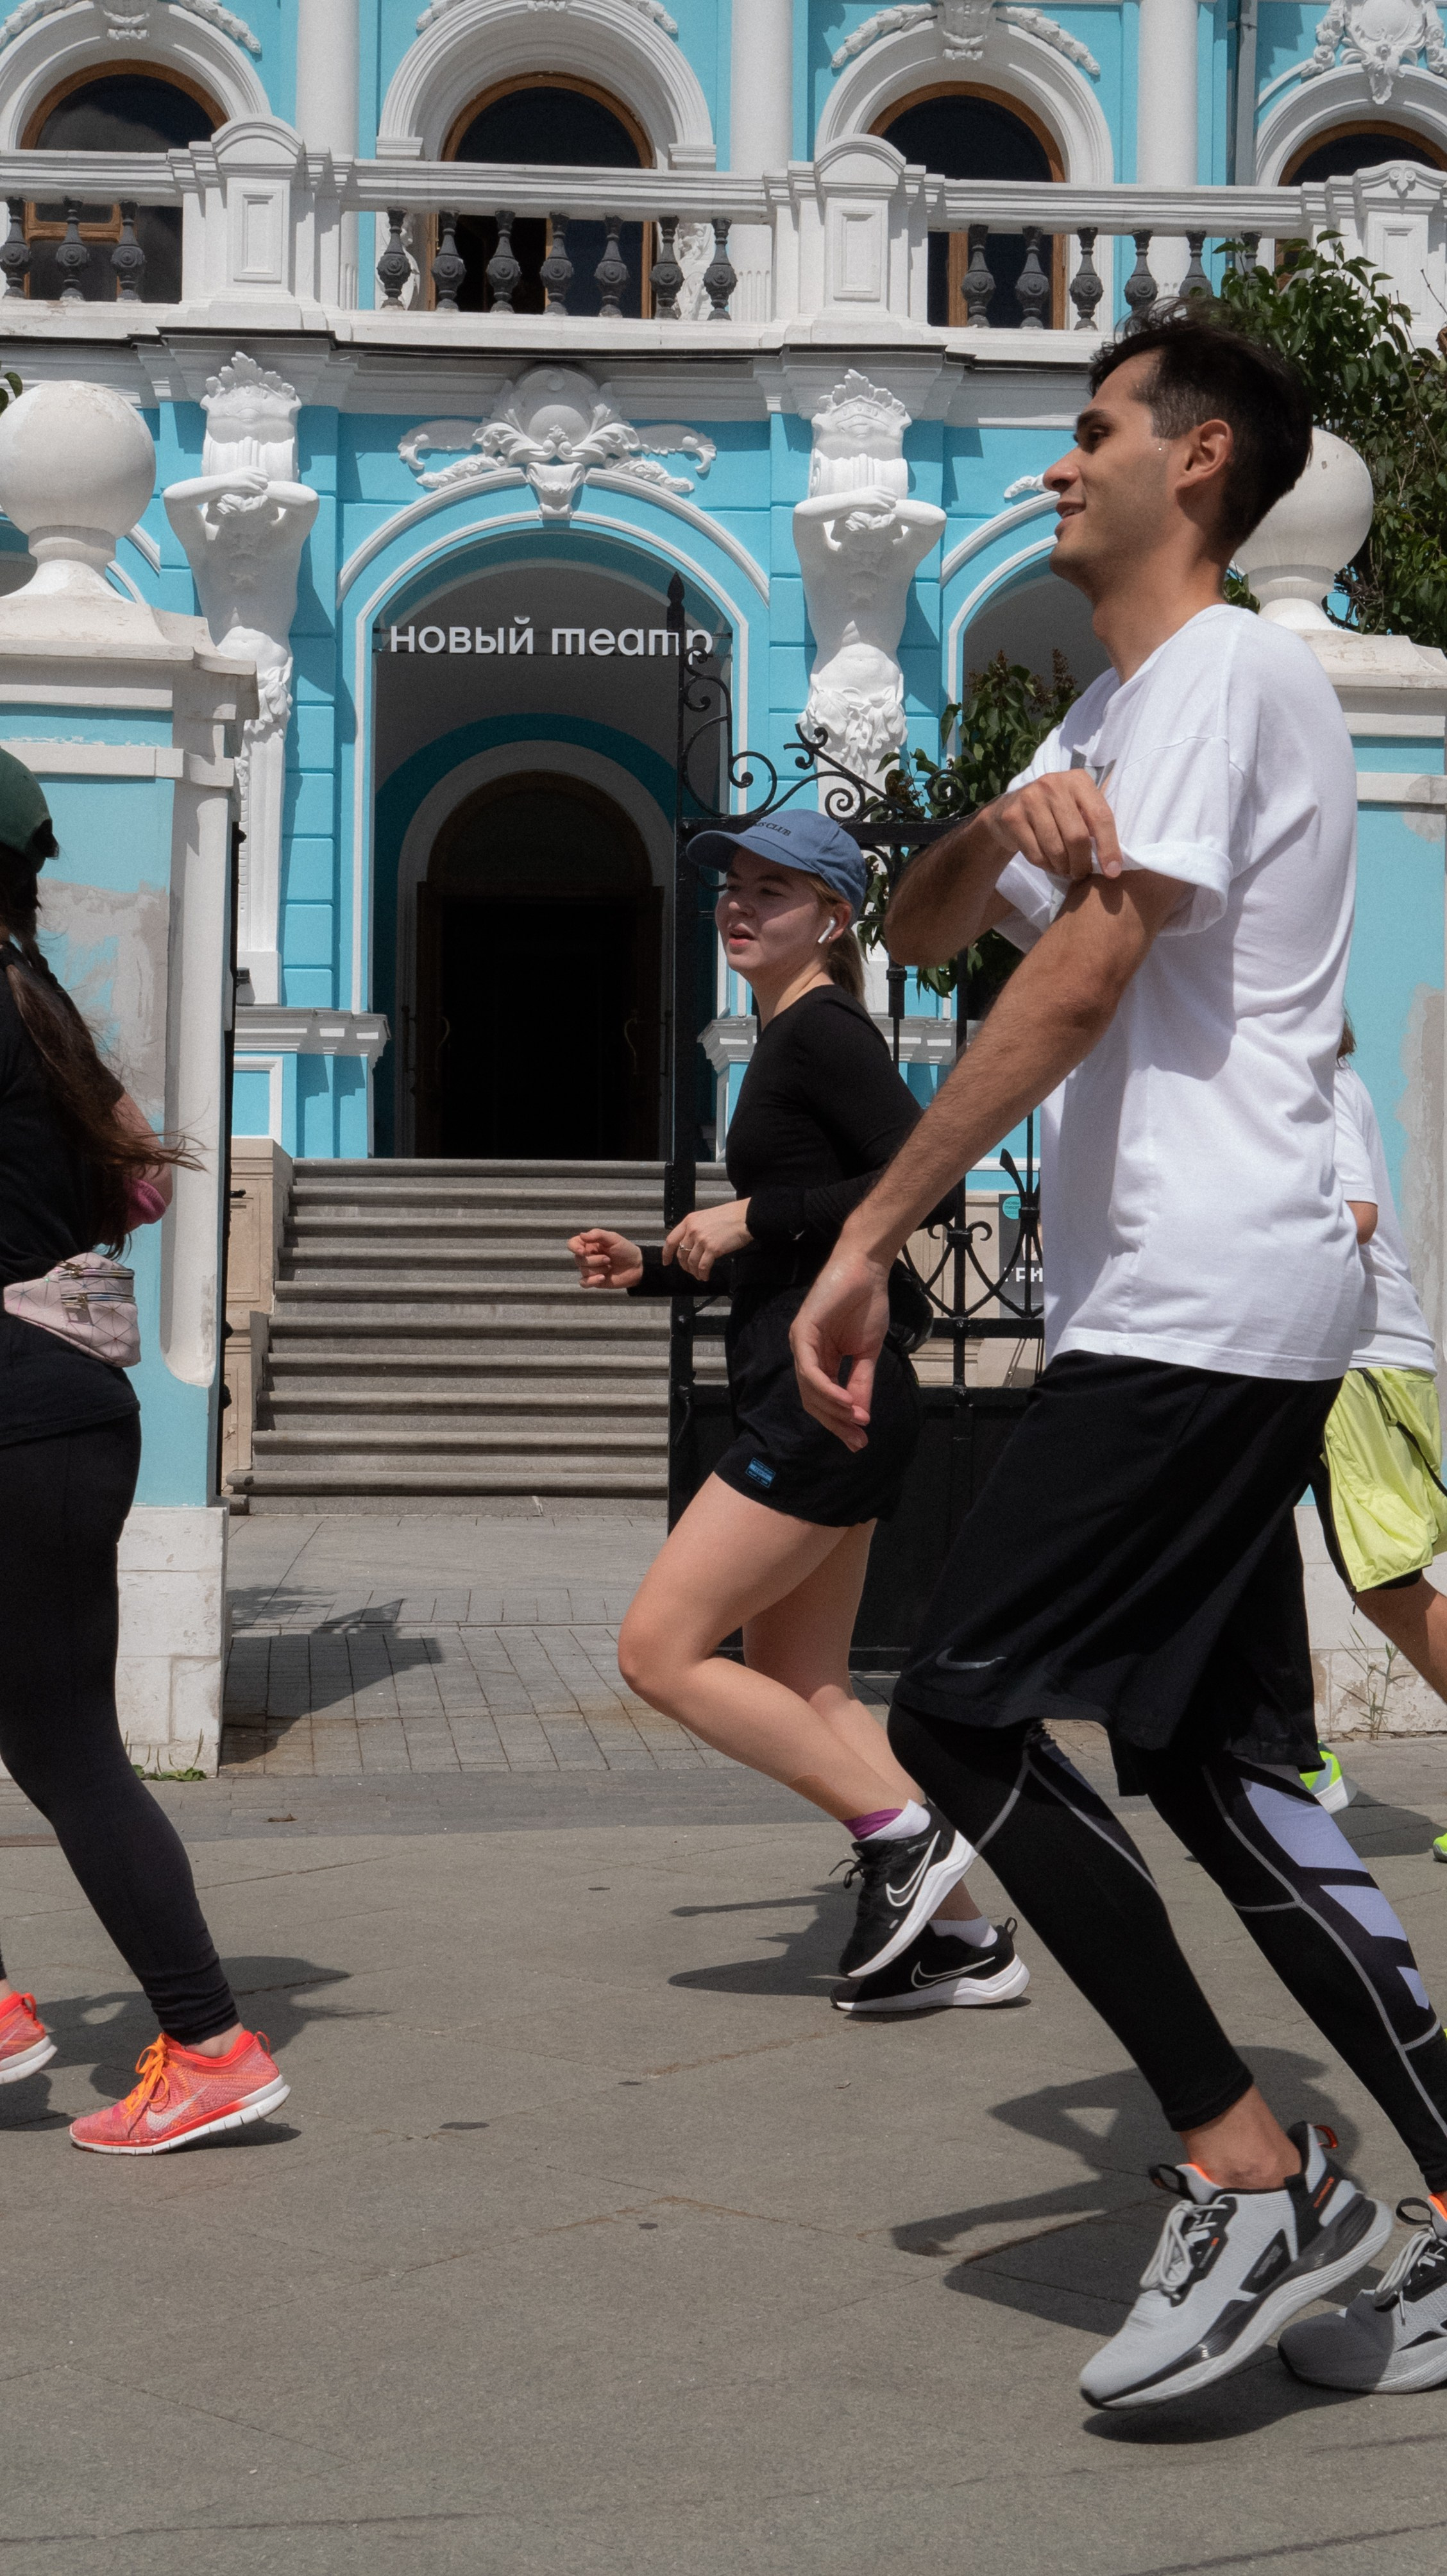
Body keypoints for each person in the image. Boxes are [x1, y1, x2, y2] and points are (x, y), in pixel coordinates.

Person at [790, 314, 1447, 2407]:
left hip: (1196, 1283)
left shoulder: (1231, 673)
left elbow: (1080, 975)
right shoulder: (1112, 699)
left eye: (1091, 434)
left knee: (965, 1711)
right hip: (1204, 1287)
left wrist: (870, 1230)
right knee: (1214, 1764)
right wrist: (999, 816)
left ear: (1203, 458)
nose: (1056, 467)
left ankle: (1245, 2165)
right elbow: (919, 930)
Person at [568, 809, 1028, 2013]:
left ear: (831, 916)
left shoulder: (822, 1031)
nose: (739, 904)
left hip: (825, 1405)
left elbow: (925, 1177)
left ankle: (905, 1839)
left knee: (658, 1652)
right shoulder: (785, 1036)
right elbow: (807, 1239)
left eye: (773, 889)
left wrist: (751, 1217)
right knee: (804, 1680)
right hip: (816, 1388)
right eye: (731, 886)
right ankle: (968, 1944)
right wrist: (661, 1266)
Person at [0, 749, 289, 2153]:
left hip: (23, 1422)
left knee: (69, 1750)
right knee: (47, 1734)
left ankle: (209, 2040)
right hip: (50, 1410)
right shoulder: (32, 998)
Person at [1303, 1022, 1447, 1804]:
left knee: (1388, 1585)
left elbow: (1354, 1214)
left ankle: (1290, 1754)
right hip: (1315, 1357)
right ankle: (1288, 1752)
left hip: (1363, 1360)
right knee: (1235, 1553)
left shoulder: (1318, 1080)